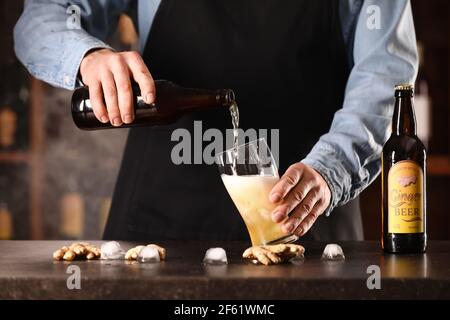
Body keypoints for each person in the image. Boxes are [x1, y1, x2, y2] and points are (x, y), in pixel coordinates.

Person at [14, 0, 418, 241]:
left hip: (308, 224)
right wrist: (88, 57)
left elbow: (386, 77)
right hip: (160, 229)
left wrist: (331, 172)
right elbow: (42, 19)